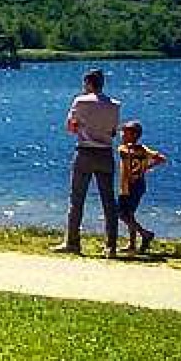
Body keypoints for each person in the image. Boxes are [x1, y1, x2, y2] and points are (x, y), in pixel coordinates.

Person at [59, 69, 121, 256]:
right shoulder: (115, 105)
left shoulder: (81, 101)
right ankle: (110, 246)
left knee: (77, 199)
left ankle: (73, 242)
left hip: (85, 151)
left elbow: (70, 126)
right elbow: (112, 132)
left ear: (88, 83)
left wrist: (81, 127)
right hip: (105, 153)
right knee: (108, 201)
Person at [115, 120, 169, 255]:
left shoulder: (123, 149)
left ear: (133, 135)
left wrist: (141, 168)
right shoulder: (144, 150)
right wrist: (145, 168)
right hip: (139, 184)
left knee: (122, 214)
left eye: (125, 133)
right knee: (129, 215)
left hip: (128, 186)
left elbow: (126, 157)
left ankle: (144, 234)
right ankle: (132, 244)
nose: (122, 135)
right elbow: (161, 158)